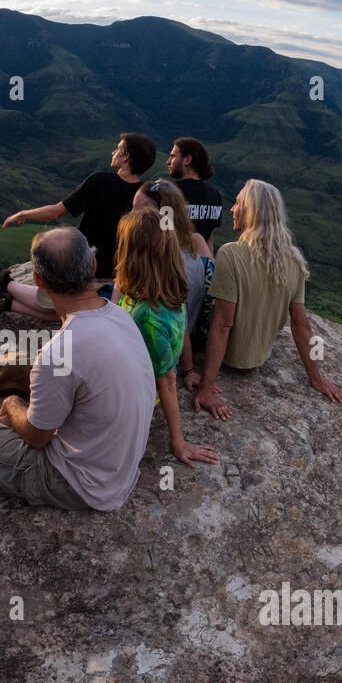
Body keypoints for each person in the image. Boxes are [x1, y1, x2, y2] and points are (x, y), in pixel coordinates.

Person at [0, 227, 155, 511]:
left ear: (38, 280)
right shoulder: (120, 315)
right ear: (93, 265)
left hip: (74, 482)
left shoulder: (59, 352)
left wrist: (13, 404)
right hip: (114, 467)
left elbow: (35, 439)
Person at [193, 180, 342, 420]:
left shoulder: (230, 254)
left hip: (230, 357)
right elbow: (301, 325)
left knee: (195, 244)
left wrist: (206, 387)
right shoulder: (294, 260)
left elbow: (223, 325)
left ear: (251, 212)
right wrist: (316, 378)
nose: (232, 209)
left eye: (238, 204)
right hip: (260, 357)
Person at [0, 132, 156, 317]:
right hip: (118, 279)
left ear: (126, 156)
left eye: (118, 148)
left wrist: (23, 213)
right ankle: (3, 304)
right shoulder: (146, 196)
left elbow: (56, 211)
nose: (113, 152)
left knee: (60, 302)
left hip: (83, 268)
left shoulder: (100, 180)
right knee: (72, 310)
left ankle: (2, 282)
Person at [111, 208, 220, 468]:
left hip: (132, 393)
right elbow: (182, 335)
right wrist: (190, 371)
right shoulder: (169, 292)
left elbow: (167, 381)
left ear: (131, 254)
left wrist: (179, 442)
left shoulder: (147, 317)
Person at [129, 178, 214, 394]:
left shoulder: (167, 263)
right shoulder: (190, 244)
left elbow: (179, 321)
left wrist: (188, 370)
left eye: (141, 211)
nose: (132, 215)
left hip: (162, 343)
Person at [166, 137, 223, 254]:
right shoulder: (215, 195)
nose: (168, 161)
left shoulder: (168, 192)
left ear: (187, 159)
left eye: (173, 156)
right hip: (201, 261)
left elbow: (163, 233)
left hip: (173, 261)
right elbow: (209, 240)